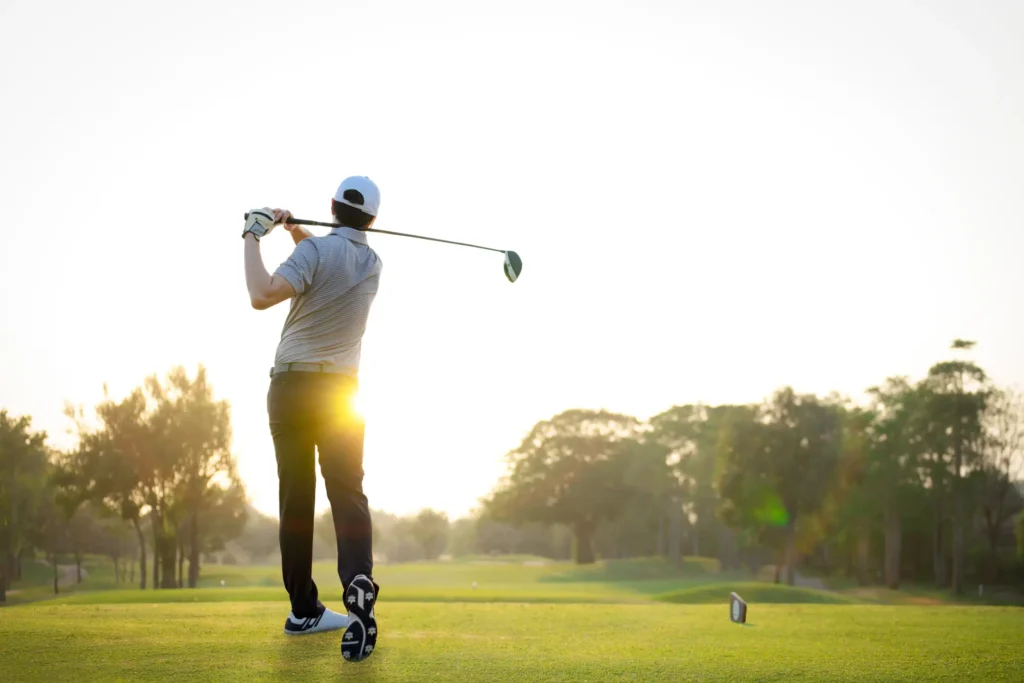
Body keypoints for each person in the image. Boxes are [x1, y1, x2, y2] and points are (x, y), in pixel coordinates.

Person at [240, 176, 383, 662]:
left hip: (293, 389)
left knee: (296, 498)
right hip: (342, 395)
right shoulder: (372, 263)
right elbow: (327, 259)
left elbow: (261, 295)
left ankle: (304, 609)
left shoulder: (315, 254)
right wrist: (298, 231)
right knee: (347, 491)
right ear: (373, 221)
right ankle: (358, 579)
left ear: (332, 206)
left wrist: (252, 235)